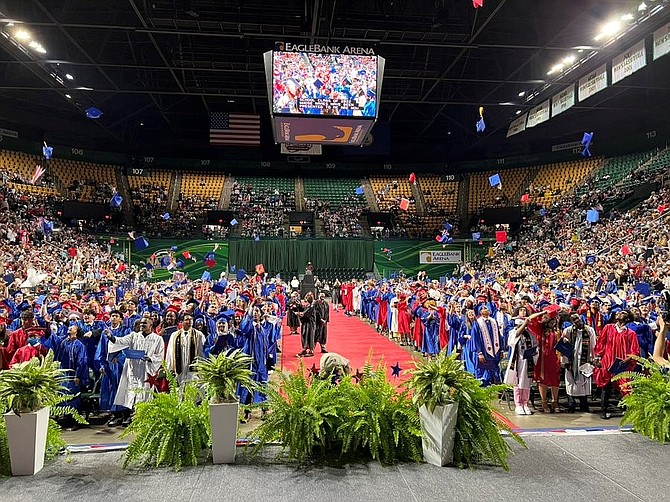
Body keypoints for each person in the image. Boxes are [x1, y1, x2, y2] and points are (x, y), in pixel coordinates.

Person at [104, 316, 164, 423]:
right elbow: (120, 342)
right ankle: (131, 416)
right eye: (141, 324)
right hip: (133, 368)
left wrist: (150, 358)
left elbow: (160, 355)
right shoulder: (133, 336)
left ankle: (144, 417)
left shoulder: (157, 339)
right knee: (131, 391)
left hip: (147, 369)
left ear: (150, 325)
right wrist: (110, 336)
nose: (142, 325)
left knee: (145, 392)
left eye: (144, 323)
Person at [593, 309, 640, 419]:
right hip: (608, 362)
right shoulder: (608, 328)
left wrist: (628, 359)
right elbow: (601, 343)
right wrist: (598, 357)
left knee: (625, 387)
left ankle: (627, 410)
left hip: (621, 363)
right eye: (618, 312)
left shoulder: (631, 333)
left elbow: (635, 351)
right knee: (606, 387)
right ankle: (604, 411)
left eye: (622, 313)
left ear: (627, 318)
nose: (619, 313)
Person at [94, 310, 129, 427]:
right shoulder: (105, 333)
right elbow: (101, 349)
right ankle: (116, 415)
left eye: (116, 316)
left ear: (120, 319)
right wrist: (102, 365)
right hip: (109, 365)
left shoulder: (125, 331)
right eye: (112, 316)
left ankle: (126, 414)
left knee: (122, 388)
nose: (113, 318)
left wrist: (119, 358)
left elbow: (127, 346)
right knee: (111, 390)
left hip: (121, 365)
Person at [504, 309, 542, 415]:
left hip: (527, 361)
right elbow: (513, 339)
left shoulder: (530, 334)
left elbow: (535, 345)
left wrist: (534, 352)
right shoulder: (512, 332)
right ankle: (518, 404)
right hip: (517, 361)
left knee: (526, 383)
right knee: (517, 382)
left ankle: (525, 403)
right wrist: (524, 323)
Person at [527, 305, 562, 413]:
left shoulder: (556, 331)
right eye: (549, 319)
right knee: (543, 380)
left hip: (554, 359)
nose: (553, 322)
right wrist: (543, 312)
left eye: (553, 319)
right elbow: (530, 319)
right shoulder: (539, 329)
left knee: (555, 381)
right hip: (542, 359)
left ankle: (555, 401)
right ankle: (544, 402)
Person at [561, 313, 596, 413]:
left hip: (585, 359)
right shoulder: (568, 331)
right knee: (570, 381)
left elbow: (593, 346)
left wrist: (592, 359)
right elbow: (564, 347)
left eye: (577, 318)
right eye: (573, 319)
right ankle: (571, 403)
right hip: (572, 359)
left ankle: (583, 403)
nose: (576, 320)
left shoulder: (589, 330)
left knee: (584, 381)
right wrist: (565, 362)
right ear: (571, 322)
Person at [165, 313, 205, 385]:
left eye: (191, 320)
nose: (190, 321)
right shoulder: (175, 335)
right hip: (179, 368)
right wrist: (169, 367)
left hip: (193, 369)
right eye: (187, 319)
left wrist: (201, 367)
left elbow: (201, 352)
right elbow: (170, 352)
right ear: (182, 322)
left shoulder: (198, 334)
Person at [296, 292, 316, 357]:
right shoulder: (308, 306)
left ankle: (311, 350)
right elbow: (304, 311)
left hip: (310, 324)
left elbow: (306, 315)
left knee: (310, 336)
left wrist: (299, 314)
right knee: (304, 336)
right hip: (306, 323)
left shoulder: (311, 306)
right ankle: (304, 349)